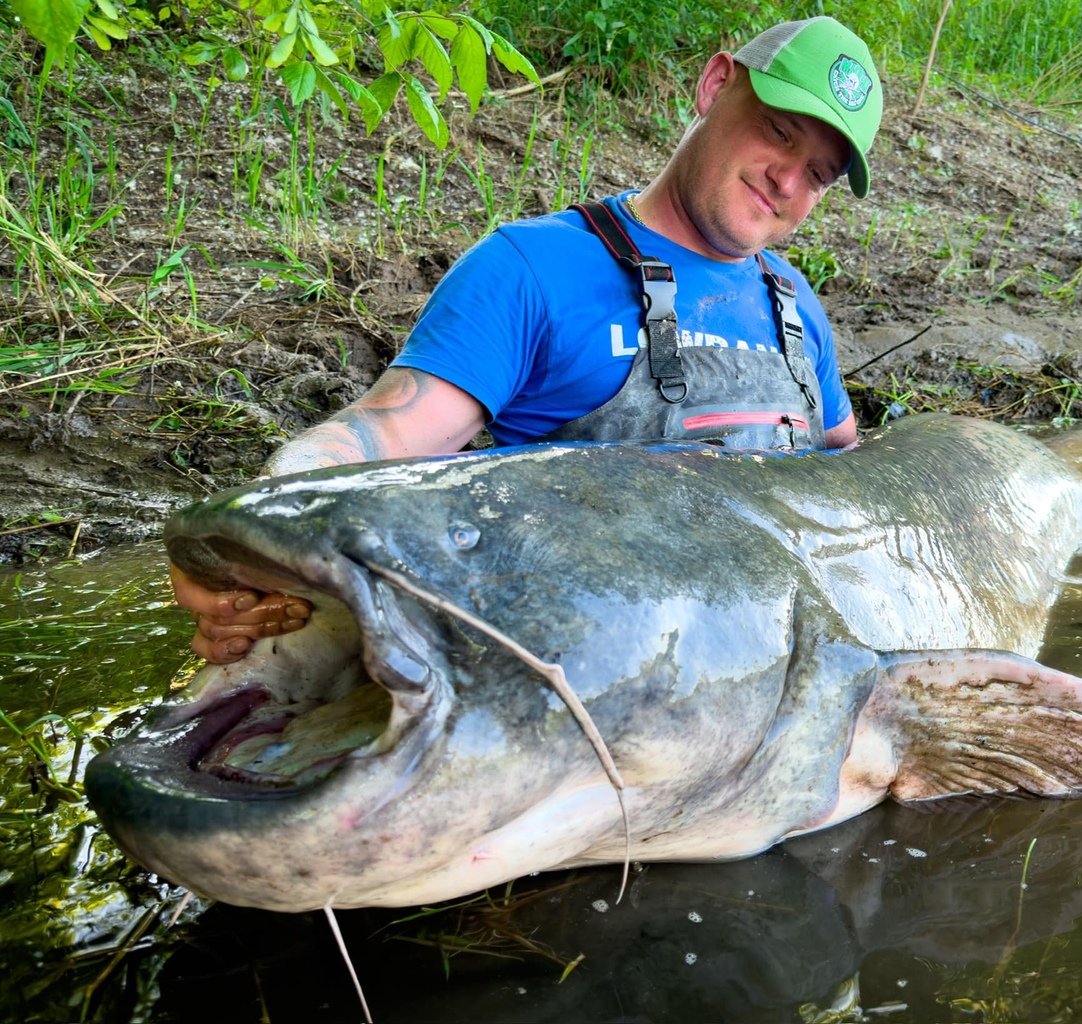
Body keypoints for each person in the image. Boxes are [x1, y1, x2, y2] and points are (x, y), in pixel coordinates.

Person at [174, 15, 883, 664]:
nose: (787, 180)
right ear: (715, 84)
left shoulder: (795, 305)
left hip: (773, 685)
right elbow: (380, 437)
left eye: (818, 174)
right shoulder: (531, 268)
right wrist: (246, 537)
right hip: (581, 683)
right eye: (779, 133)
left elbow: (852, 484)